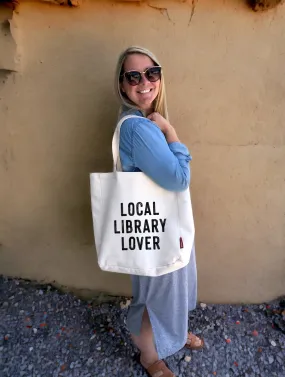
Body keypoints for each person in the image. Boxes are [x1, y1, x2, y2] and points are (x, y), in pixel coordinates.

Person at [114, 46, 204, 377]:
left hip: (156, 223)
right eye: (133, 76)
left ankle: (176, 337)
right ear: (122, 85)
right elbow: (179, 179)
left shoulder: (140, 121)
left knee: (168, 289)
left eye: (152, 73)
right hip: (153, 226)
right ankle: (149, 357)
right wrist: (172, 133)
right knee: (153, 296)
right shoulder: (140, 128)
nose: (144, 82)